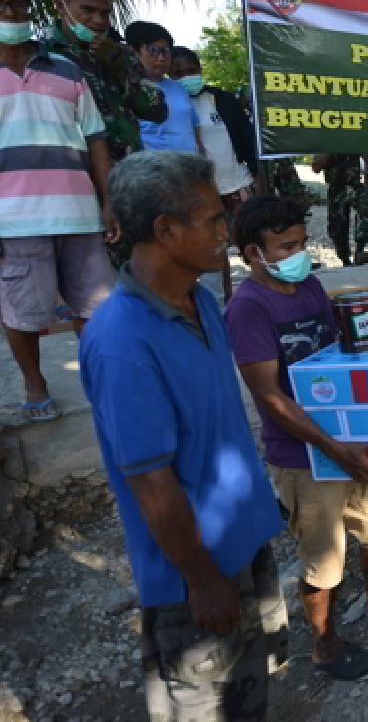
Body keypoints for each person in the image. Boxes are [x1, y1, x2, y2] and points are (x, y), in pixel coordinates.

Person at [80, 150, 286, 720]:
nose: (227, 228)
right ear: (166, 231)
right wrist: (201, 579)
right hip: (197, 573)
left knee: (251, 686)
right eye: (214, 219)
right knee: (206, 702)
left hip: (242, 543)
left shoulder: (201, 302)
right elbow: (151, 484)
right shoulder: (123, 342)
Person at [226, 195, 368, 682]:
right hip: (303, 455)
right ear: (251, 253)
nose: (299, 254)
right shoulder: (248, 308)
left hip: (351, 442)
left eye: (302, 243)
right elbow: (268, 394)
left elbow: (342, 357)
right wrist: (330, 446)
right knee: (324, 560)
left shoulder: (311, 288)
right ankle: (325, 647)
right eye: (285, 247)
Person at [0, 0, 115, 422]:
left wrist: (107, 203)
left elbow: (96, 140)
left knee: (96, 310)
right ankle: (35, 383)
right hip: (14, 220)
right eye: (1, 6)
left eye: (19, 4)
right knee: (23, 313)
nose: (12, 14)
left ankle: (102, 382)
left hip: (79, 213)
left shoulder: (66, 69)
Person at [44, 0, 166, 162]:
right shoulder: (44, 55)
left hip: (128, 170)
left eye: (105, 13)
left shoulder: (120, 53)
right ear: (61, 6)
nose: (99, 20)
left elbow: (158, 112)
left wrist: (119, 68)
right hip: (76, 170)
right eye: (88, 10)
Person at [171, 46, 257, 301]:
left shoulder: (221, 99)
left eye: (191, 70)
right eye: (178, 73)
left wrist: (256, 177)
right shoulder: (168, 105)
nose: (187, 76)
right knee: (215, 252)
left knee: (253, 244)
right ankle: (225, 304)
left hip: (236, 185)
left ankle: (259, 298)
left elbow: (246, 138)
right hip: (201, 192)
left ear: (200, 69)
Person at [125, 21, 201, 154]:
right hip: (153, 170)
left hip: (191, 168)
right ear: (134, 52)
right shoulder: (127, 90)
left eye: (166, 51)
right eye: (153, 50)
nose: (161, 58)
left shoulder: (179, 89)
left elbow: (194, 130)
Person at [313, 153, 368, 266]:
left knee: (366, 205)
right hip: (336, 189)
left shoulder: (353, 137)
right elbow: (316, 168)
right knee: (337, 228)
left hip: (355, 185)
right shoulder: (325, 139)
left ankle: (360, 251)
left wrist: (364, 150)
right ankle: (345, 260)